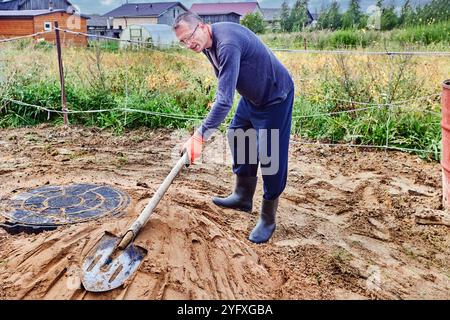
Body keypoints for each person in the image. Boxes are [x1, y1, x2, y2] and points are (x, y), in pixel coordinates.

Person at [173, 12, 294, 244]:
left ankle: (268, 218)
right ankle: (242, 196)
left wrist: (199, 138)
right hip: (251, 98)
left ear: (202, 26)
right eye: (182, 42)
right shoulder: (207, 44)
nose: (188, 44)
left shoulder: (227, 43)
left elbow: (225, 100)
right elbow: (224, 84)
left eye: (189, 37)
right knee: (239, 136)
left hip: (275, 97)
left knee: (270, 156)